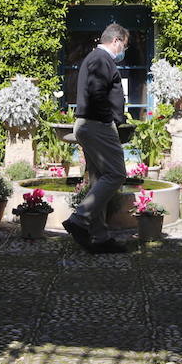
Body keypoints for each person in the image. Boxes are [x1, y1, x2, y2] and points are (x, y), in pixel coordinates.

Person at [63, 23, 131, 254]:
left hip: (90, 125)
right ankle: (79, 219)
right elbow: (96, 94)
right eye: (125, 45)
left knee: (99, 178)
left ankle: (100, 237)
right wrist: (108, 120)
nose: (124, 51)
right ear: (117, 41)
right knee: (116, 174)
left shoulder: (95, 59)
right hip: (97, 125)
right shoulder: (101, 59)